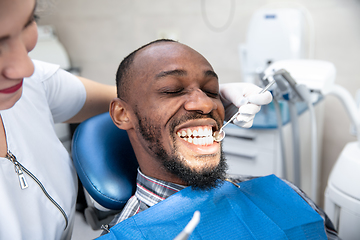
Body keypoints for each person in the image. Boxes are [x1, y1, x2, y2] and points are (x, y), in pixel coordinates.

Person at [0, 1, 272, 239]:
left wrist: (214, 96)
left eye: (27, 24)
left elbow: (131, 100)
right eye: (0, 42)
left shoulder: (35, 82)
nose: (26, 66)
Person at [100, 39, 339, 239]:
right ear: (123, 115)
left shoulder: (283, 192)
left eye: (212, 90)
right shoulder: (128, 233)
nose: (206, 104)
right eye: (172, 90)